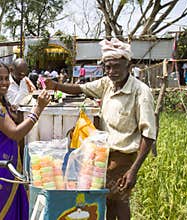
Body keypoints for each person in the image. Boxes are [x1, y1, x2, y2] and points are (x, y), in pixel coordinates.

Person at [45, 38, 156, 220]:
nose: (111, 72)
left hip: (123, 157)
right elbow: (80, 88)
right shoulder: (107, 84)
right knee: (107, 201)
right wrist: (55, 85)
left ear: (129, 66)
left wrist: (133, 170)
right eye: (107, 67)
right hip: (103, 156)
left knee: (120, 201)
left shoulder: (140, 92)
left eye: (116, 67)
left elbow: (149, 134)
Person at [0, 61, 51, 219]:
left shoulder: (1, 102)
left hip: (7, 165)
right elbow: (15, 133)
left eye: (6, 78)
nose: (5, 83)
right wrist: (38, 108)